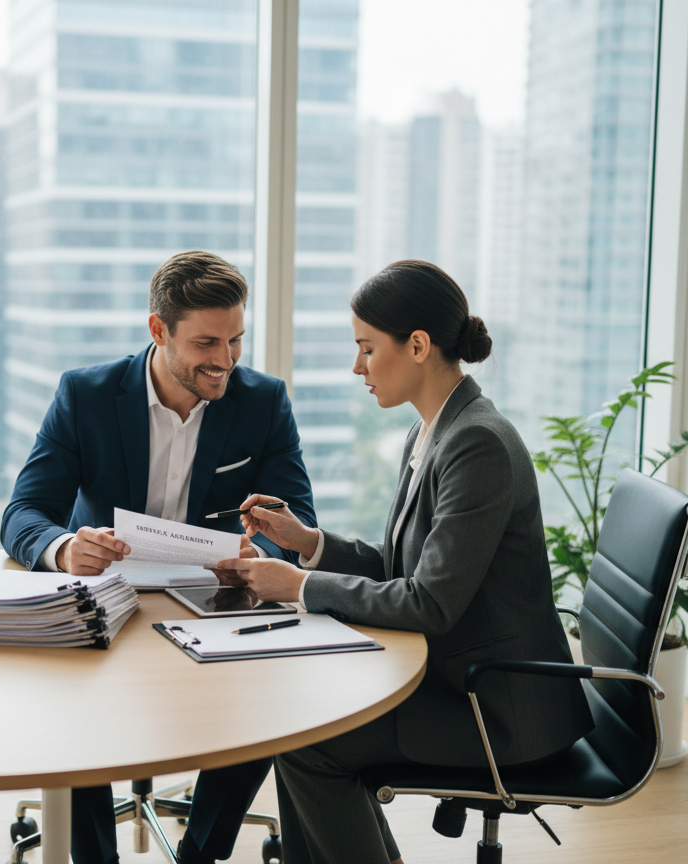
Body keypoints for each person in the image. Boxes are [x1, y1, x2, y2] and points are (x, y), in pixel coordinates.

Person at [214, 260, 594, 864]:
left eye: (367, 348)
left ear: (417, 345)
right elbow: (401, 567)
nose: (357, 367)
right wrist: (306, 541)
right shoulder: (434, 431)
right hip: (459, 684)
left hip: (497, 710)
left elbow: (430, 603)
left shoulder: (477, 443)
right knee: (299, 721)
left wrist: (301, 585)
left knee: (307, 742)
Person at [1, 250, 317, 864]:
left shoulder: (262, 402)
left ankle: (202, 853)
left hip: (215, 601)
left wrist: (261, 552)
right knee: (76, 706)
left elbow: (297, 522)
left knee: (269, 694)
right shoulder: (86, 394)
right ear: (158, 331)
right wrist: (65, 548)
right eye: (206, 343)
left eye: (235, 340)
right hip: (104, 598)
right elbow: (23, 515)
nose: (224, 360)